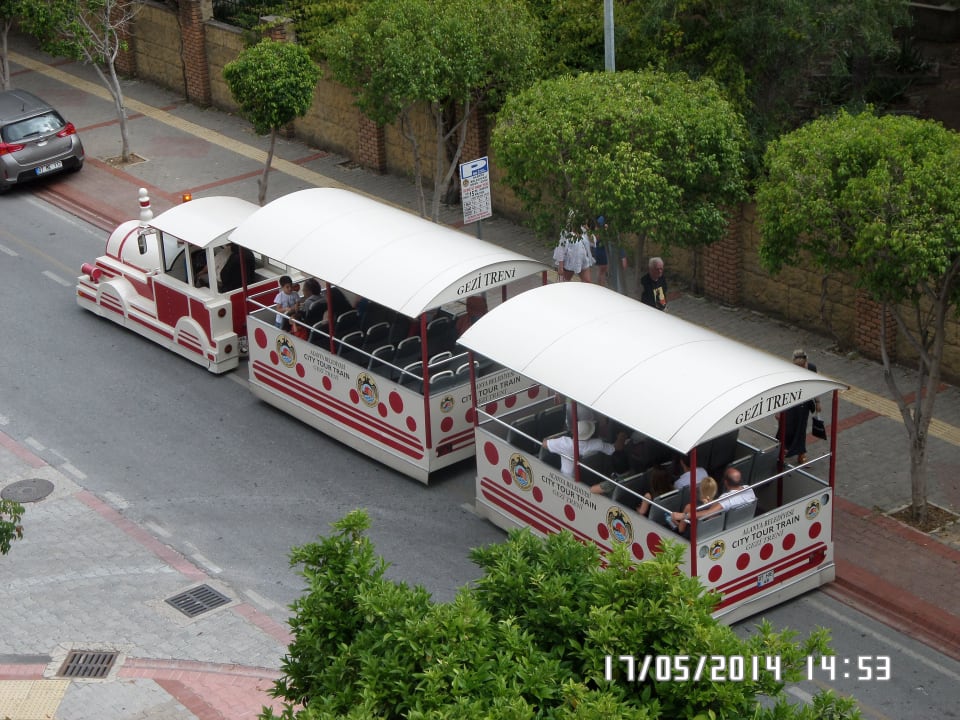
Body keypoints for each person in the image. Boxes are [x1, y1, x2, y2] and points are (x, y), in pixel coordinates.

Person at [542, 421, 625, 478]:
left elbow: (544, 444)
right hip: (589, 476)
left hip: (567, 477)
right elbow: (616, 448)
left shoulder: (564, 443)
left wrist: (556, 438)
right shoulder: (598, 444)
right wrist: (622, 435)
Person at [681, 467, 756, 527]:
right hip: (745, 520)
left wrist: (684, 515)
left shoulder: (726, 499)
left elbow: (709, 514)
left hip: (728, 526)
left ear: (725, 482)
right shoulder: (749, 488)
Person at [782, 349, 821, 464]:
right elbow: (783, 391)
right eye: (797, 366)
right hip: (790, 402)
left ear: (806, 362)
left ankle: (801, 453)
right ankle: (784, 449)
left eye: (802, 366)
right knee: (787, 428)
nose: (800, 368)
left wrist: (817, 402)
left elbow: (815, 385)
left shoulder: (812, 368)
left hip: (804, 404)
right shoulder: (788, 371)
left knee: (801, 429)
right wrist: (779, 410)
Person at [592, 216, 609, 287]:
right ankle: (600, 286)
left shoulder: (604, 223)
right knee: (601, 270)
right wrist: (605, 230)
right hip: (600, 249)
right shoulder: (600, 227)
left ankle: (602, 285)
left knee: (603, 270)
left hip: (603, 250)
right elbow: (597, 237)